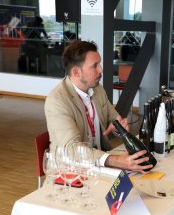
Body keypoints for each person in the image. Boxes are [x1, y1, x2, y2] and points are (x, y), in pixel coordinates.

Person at [45, 40, 153, 172]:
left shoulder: (97, 89)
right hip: (70, 172)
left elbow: (113, 117)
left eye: (99, 64)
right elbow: (72, 149)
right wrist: (115, 161)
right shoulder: (57, 101)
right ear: (76, 72)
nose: (101, 69)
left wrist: (118, 127)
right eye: (94, 66)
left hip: (97, 165)